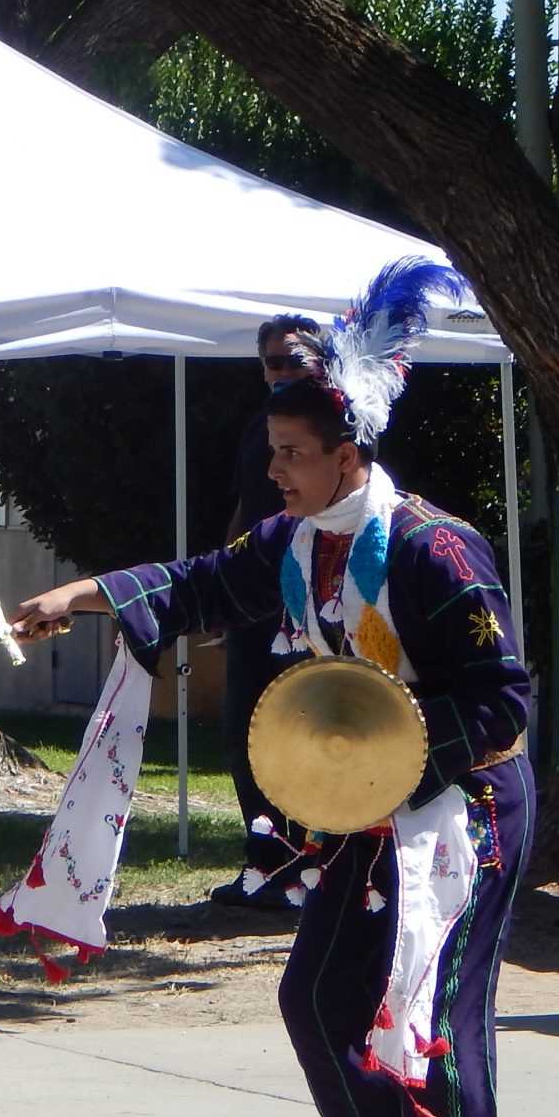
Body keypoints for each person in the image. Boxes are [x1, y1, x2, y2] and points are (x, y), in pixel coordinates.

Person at [11, 270, 530, 1117]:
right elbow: (202, 584)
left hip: (461, 813)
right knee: (314, 997)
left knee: (425, 1013)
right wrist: (79, 595)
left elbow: (504, 700)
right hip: (372, 810)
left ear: (349, 455)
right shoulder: (294, 546)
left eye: (292, 456)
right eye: (272, 454)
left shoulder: (433, 549)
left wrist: (403, 762)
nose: (276, 471)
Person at [215, 315, 330, 912]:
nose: (281, 372)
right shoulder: (259, 426)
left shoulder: (343, 423)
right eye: (271, 362)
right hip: (255, 604)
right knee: (246, 733)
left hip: (320, 604)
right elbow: (248, 505)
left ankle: (321, 873)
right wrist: (222, 583)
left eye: (292, 360)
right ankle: (268, 866)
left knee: (313, 734)